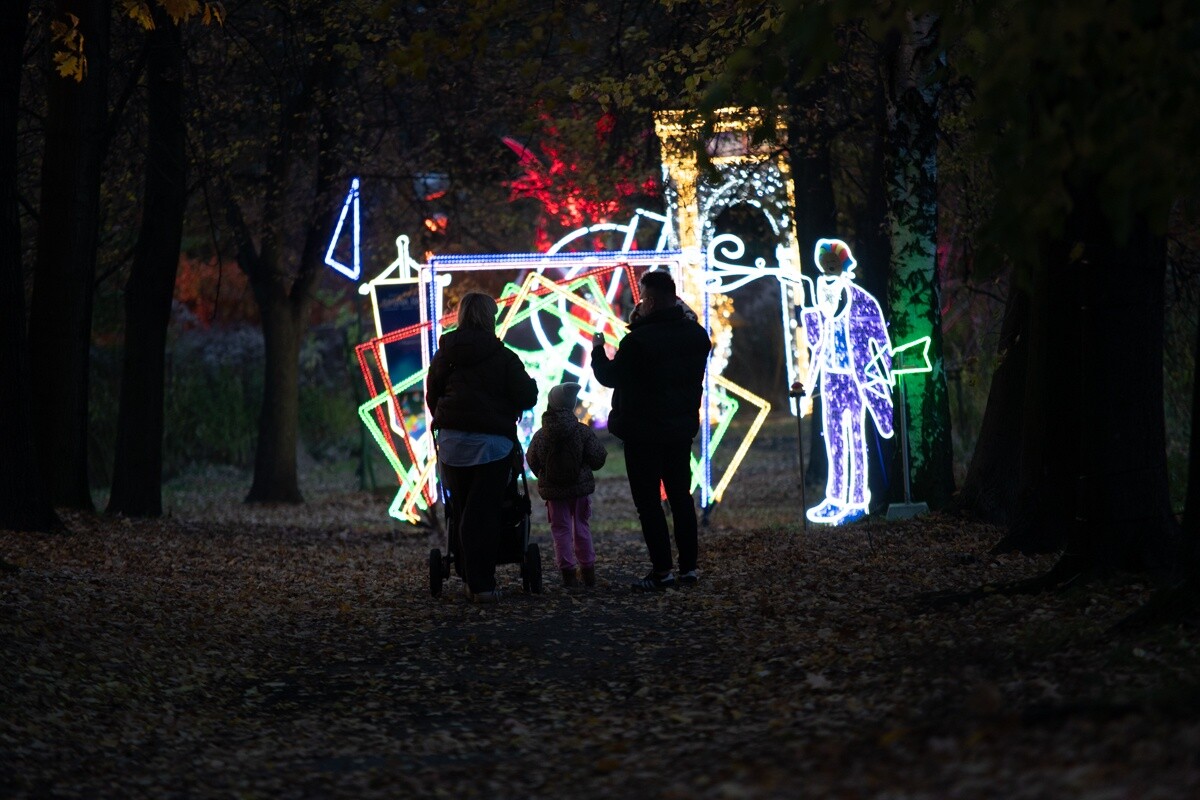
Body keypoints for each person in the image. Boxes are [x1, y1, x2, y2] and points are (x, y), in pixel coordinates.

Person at [590, 270, 711, 591]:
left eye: (643, 298)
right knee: (681, 498)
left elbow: (610, 376)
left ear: (652, 301)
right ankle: (689, 568)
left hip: (643, 433)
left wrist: (598, 350)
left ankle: (662, 570)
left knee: (648, 504)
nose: (639, 303)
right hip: (679, 430)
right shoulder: (696, 337)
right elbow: (682, 328)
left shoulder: (638, 341)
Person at [427, 292, 538, 603]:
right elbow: (526, 396)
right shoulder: (503, 357)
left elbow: (432, 396)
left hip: (452, 444)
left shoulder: (445, 355)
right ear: (491, 318)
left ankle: (466, 571)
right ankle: (481, 584)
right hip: (492, 446)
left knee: (462, 508)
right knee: (484, 512)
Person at [796, 238, 894, 525]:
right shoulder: (819, 303)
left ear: (844, 265)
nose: (828, 269)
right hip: (830, 379)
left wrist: (882, 377)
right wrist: (809, 382)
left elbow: (882, 345)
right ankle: (836, 497)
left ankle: (856, 500)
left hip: (856, 379)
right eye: (824, 264)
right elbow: (817, 347)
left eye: (834, 264)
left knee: (855, 438)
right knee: (835, 440)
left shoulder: (863, 302)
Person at [526, 382, 607, 588]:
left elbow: (532, 460)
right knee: (582, 526)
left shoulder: (541, 436)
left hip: (555, 493)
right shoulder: (581, 432)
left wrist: (544, 476)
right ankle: (588, 570)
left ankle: (568, 574)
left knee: (560, 530)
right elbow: (598, 458)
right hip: (579, 491)